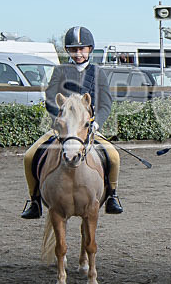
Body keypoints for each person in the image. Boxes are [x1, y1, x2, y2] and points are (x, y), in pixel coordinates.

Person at [21, 26, 123, 219]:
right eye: (74, 49)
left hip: (87, 129)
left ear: (90, 49)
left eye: (82, 49)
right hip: (62, 129)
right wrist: (59, 123)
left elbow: (105, 104)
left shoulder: (98, 73)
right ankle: (34, 200)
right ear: (68, 50)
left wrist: (96, 123)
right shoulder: (60, 71)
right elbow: (51, 99)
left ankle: (112, 196)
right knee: (29, 156)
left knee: (114, 156)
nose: (78, 53)